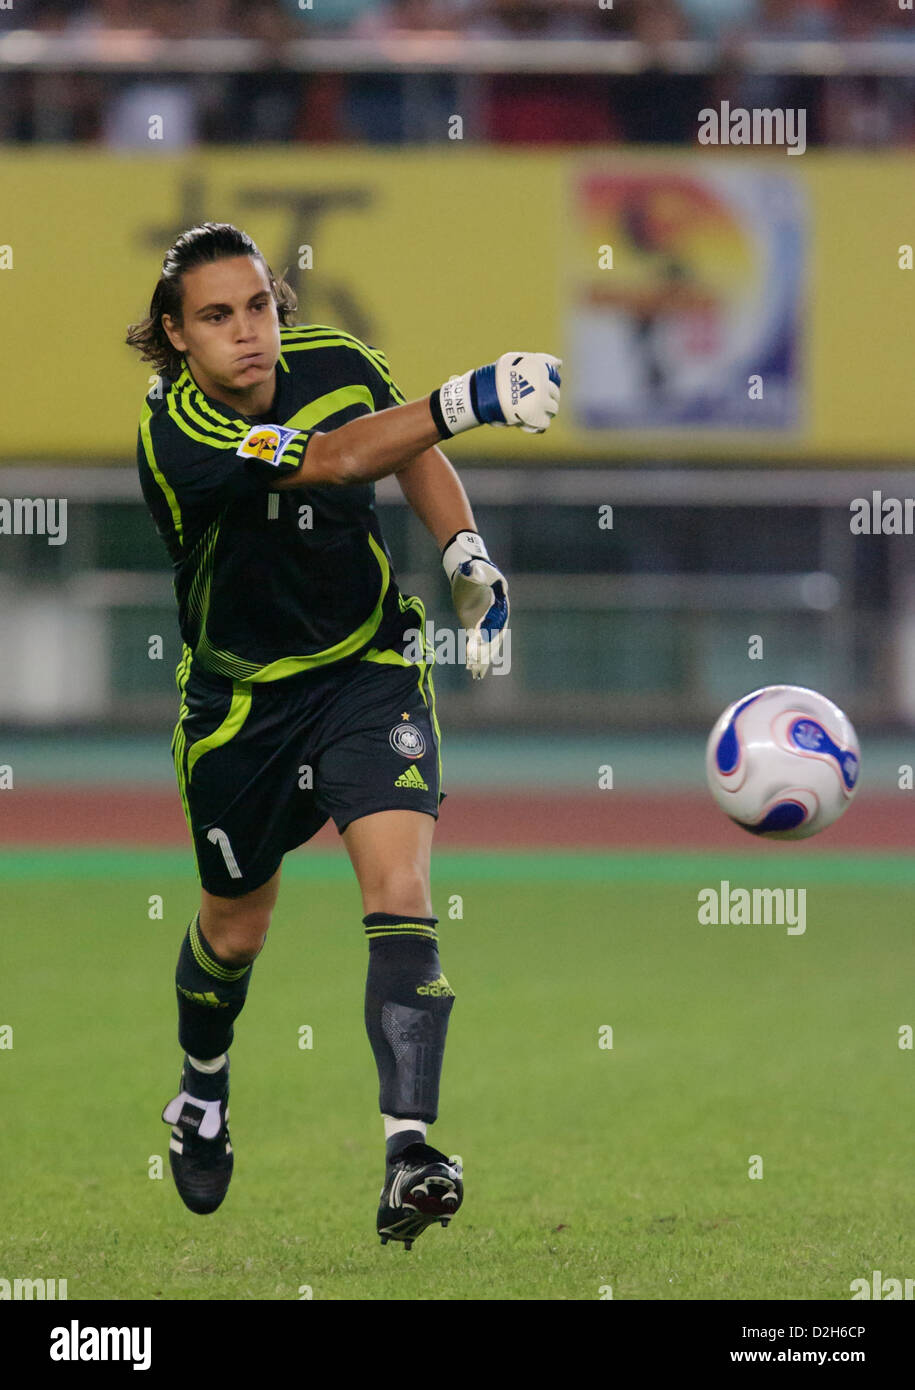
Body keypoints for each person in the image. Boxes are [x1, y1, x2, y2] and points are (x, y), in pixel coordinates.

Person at [125, 222, 561, 1248]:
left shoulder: (336, 363)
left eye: (260, 307)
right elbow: (332, 458)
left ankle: (410, 1149)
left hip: (369, 670)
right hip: (241, 712)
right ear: (177, 337)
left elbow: (402, 439)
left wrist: (464, 550)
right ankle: (202, 1088)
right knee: (234, 931)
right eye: (218, 317)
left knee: (399, 890)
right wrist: (476, 394)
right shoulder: (176, 433)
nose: (249, 334)